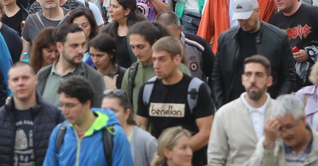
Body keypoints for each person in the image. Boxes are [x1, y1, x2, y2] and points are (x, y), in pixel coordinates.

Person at [136, 36, 215, 166]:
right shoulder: (147, 89)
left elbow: (206, 132)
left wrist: (178, 152)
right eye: (154, 59)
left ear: (177, 59)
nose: (156, 65)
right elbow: (141, 128)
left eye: (162, 59)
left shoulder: (196, 89)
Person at [0, 62, 65, 166]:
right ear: (9, 84)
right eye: (15, 79)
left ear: (35, 80)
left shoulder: (55, 115)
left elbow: (65, 155)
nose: (20, 83)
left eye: (25, 78)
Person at [44, 76, 135, 166]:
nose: (64, 111)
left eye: (70, 105)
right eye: (61, 105)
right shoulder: (59, 132)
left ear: (87, 103)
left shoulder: (114, 135)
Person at [208, 55, 277, 166]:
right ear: (243, 79)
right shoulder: (224, 114)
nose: (253, 80)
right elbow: (215, 159)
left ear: (269, 81)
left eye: (259, 75)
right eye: (248, 75)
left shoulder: (283, 113)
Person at [248, 94, 318, 166]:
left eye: (289, 127)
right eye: (279, 128)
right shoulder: (269, 145)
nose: (284, 134)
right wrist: (268, 146)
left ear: (303, 120)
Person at [36, 23, 106, 107]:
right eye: (74, 46)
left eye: (83, 45)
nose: (80, 50)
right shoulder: (43, 74)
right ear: (59, 47)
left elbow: (99, 114)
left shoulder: (93, 77)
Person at [102, 89, 157, 166]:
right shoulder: (96, 138)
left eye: (113, 110)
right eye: (104, 110)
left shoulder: (145, 140)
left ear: (127, 113)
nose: (107, 115)